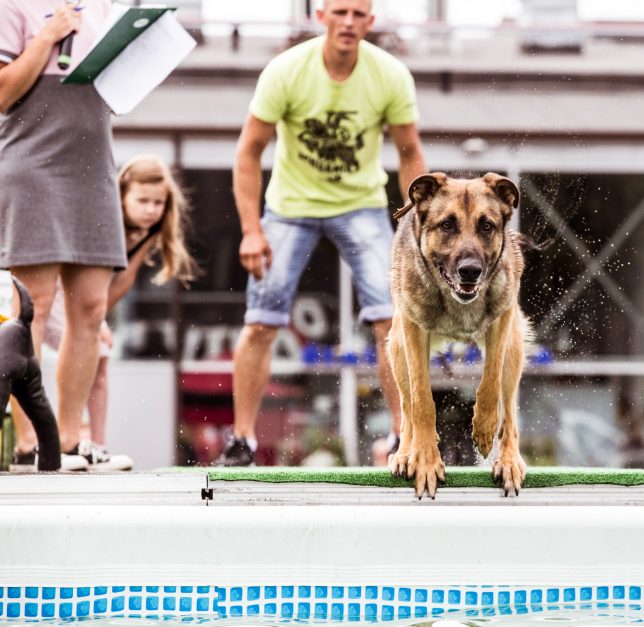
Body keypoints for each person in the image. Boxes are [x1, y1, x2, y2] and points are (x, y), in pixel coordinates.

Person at [214, 0, 426, 466]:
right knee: (261, 320)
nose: (348, 22)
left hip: (361, 206)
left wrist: (415, 225)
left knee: (392, 318)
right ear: (321, 17)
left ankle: (402, 436)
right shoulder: (287, 71)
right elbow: (248, 152)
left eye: (358, 14)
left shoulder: (389, 76)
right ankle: (243, 439)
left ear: (370, 22)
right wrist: (251, 230)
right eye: (340, 12)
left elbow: (409, 152)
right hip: (290, 207)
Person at [0, 0, 127, 471]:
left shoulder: (104, 7)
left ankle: (70, 443)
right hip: (32, 166)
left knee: (92, 307)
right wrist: (46, 36)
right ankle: (32, 445)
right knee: (34, 306)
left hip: (92, 168)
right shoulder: (12, 6)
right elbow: (2, 94)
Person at [12, 155, 197, 472]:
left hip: (84, 301)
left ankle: (94, 442)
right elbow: (63, 280)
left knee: (101, 351)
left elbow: (118, 285)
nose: (151, 209)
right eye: (142, 200)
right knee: (63, 345)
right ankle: (32, 442)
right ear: (121, 195)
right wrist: (83, 321)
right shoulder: (104, 221)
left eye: (158, 202)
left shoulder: (148, 233)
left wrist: (97, 323)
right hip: (55, 292)